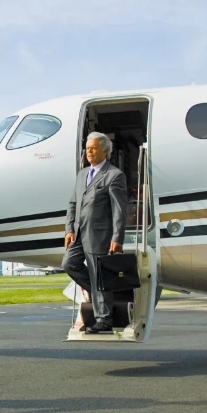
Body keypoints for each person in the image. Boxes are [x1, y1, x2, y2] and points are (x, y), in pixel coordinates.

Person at [62, 132, 128, 334]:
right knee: (69, 264)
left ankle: (104, 320)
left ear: (105, 151)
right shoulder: (82, 174)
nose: (88, 152)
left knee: (98, 273)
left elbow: (119, 209)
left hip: (100, 234)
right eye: (87, 148)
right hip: (80, 233)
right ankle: (96, 291)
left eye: (93, 148)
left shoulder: (114, 175)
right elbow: (73, 203)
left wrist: (117, 238)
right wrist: (69, 228)